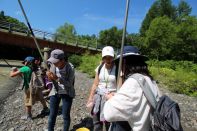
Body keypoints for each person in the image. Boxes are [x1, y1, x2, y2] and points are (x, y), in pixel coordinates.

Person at [103, 46, 161, 131]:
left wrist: (110, 98)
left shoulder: (133, 82)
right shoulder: (150, 80)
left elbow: (109, 114)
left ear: (124, 63)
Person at [86, 46, 117, 131]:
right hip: (98, 98)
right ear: (102, 57)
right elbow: (95, 84)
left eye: (110, 57)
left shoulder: (118, 69)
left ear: (113, 57)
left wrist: (115, 95)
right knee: (96, 122)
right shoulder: (100, 67)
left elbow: (121, 86)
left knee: (108, 123)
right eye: (105, 57)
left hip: (111, 99)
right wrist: (90, 98)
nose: (108, 59)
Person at [46, 49, 75, 131]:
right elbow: (51, 80)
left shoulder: (70, 68)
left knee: (65, 115)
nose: (53, 63)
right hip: (55, 91)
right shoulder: (53, 65)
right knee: (52, 114)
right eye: (52, 61)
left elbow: (70, 84)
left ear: (62, 60)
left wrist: (57, 78)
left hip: (67, 92)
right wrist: (49, 76)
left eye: (55, 61)